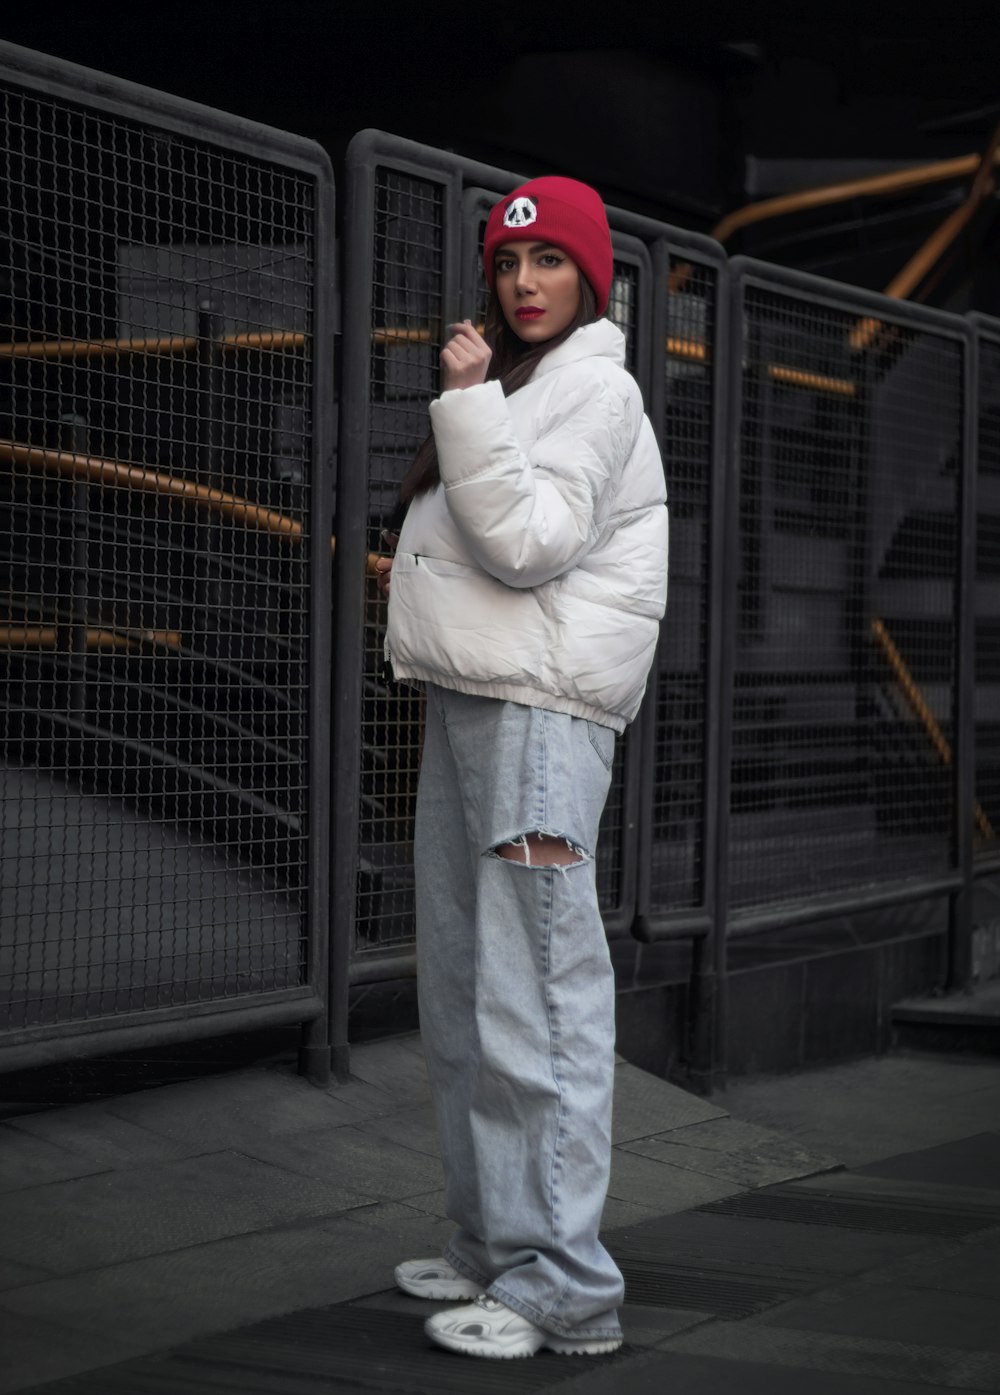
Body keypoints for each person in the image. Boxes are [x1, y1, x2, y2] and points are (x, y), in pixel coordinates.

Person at [373, 175, 668, 1360]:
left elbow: (532, 543)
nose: (525, 283)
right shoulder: (527, 388)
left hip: (541, 716)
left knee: (537, 998)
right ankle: (498, 1245)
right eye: (507, 264)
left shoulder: (596, 388)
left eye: (547, 262)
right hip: (479, 701)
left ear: (588, 275)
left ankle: (567, 1291)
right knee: (463, 988)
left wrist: (464, 401)